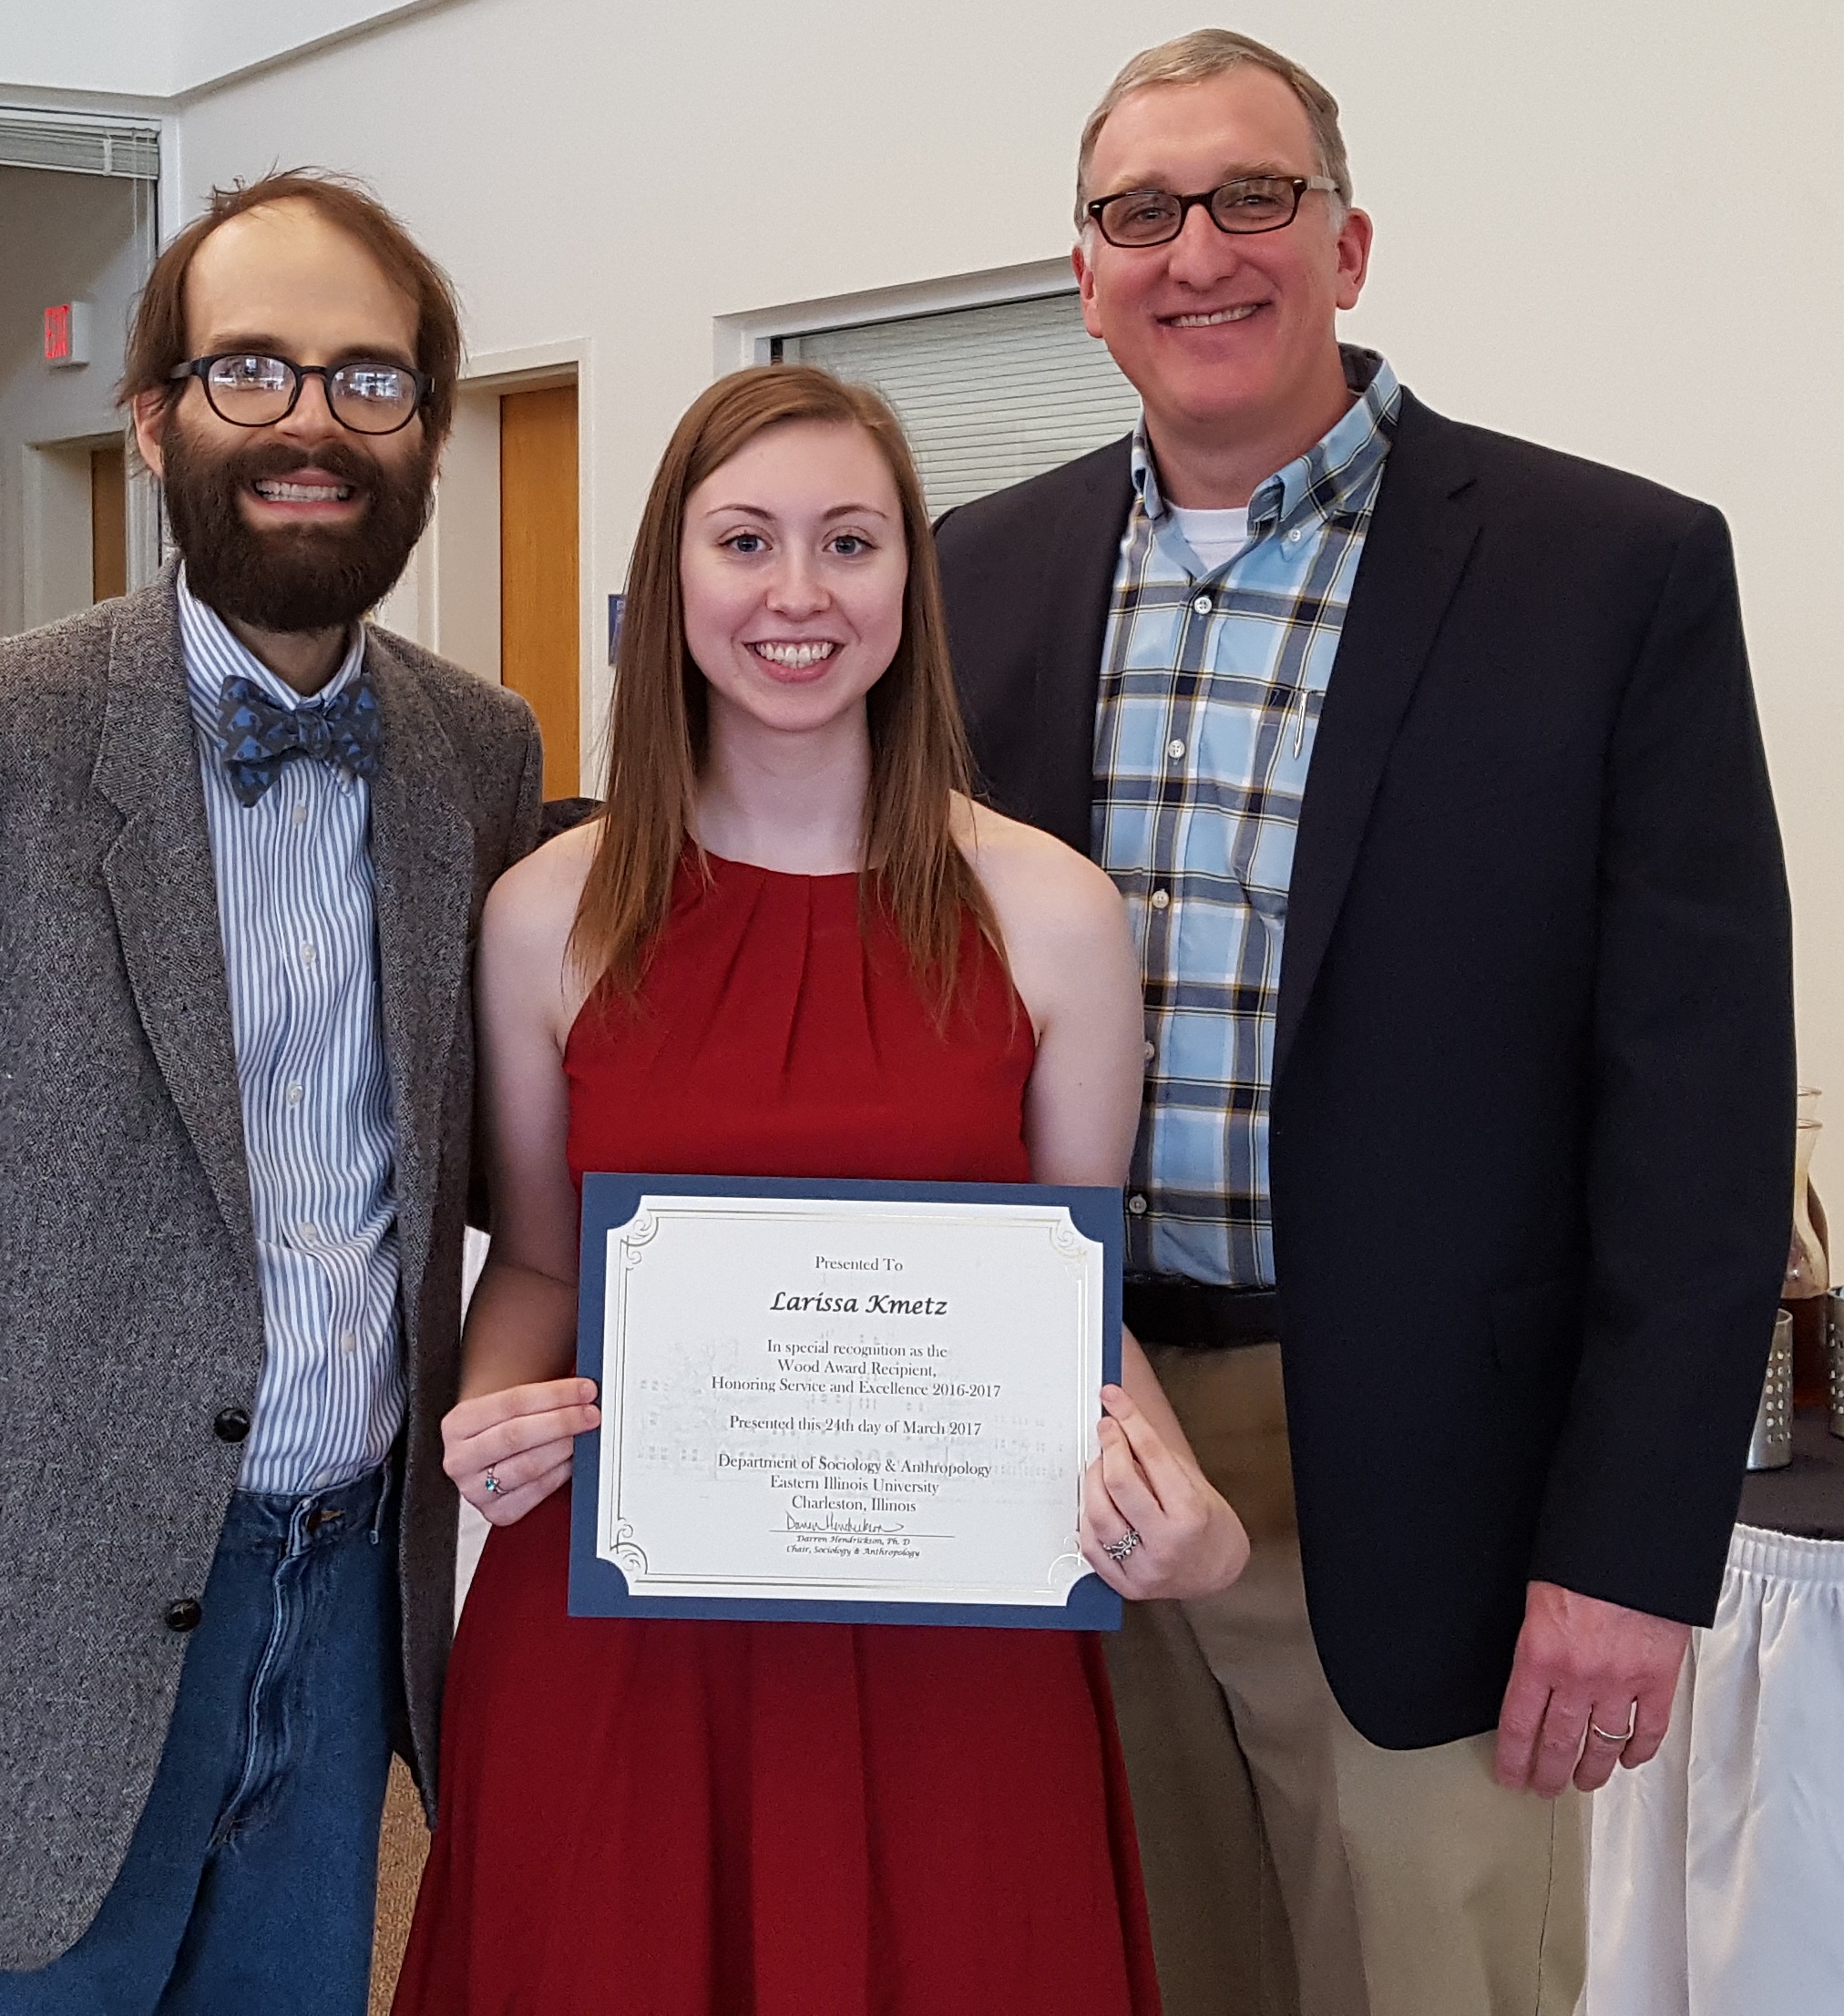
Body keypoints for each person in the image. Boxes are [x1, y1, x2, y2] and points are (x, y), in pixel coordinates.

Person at [934, 27, 1793, 2016]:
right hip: (1075, 1436)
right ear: (1084, 274)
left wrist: (1634, 1547)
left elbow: (1701, 1104)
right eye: (1140, 210)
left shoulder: (1611, 571)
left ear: (1351, 241)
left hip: (1433, 1488)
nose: (1198, 249)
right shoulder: (981, 576)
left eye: (1254, 195)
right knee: (1124, 1968)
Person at [0, 172, 543, 2015]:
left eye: (368, 378)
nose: (312, 419)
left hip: (341, 1620)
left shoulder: (480, 752)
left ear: (431, 435)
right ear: (154, 423)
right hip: (11, 1648)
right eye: (251, 369)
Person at [391, 363, 1249, 2016]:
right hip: (621, 1632)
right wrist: (487, 1418)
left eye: (849, 542)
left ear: (908, 587)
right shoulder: (544, 913)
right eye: (745, 541)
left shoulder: (1049, 913)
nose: (797, 595)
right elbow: (544, 1269)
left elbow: (1066, 1307)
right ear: (674, 578)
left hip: (956, 1651)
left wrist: (1187, 1519)